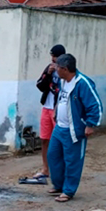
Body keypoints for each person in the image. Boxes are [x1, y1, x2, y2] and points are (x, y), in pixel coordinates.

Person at [47, 54, 103, 202]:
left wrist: (90, 124)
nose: (55, 70)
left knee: (72, 160)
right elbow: (62, 97)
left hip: (74, 129)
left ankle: (68, 190)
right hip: (60, 127)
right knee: (53, 156)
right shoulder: (63, 81)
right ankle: (58, 185)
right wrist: (56, 110)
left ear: (64, 69)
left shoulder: (82, 83)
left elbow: (95, 105)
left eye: (57, 67)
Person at [35, 44, 66, 179]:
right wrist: (48, 74)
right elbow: (40, 85)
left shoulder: (66, 70)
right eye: (52, 56)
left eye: (55, 56)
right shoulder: (49, 69)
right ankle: (45, 168)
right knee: (44, 139)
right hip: (46, 107)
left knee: (58, 141)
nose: (53, 59)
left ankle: (59, 170)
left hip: (58, 110)